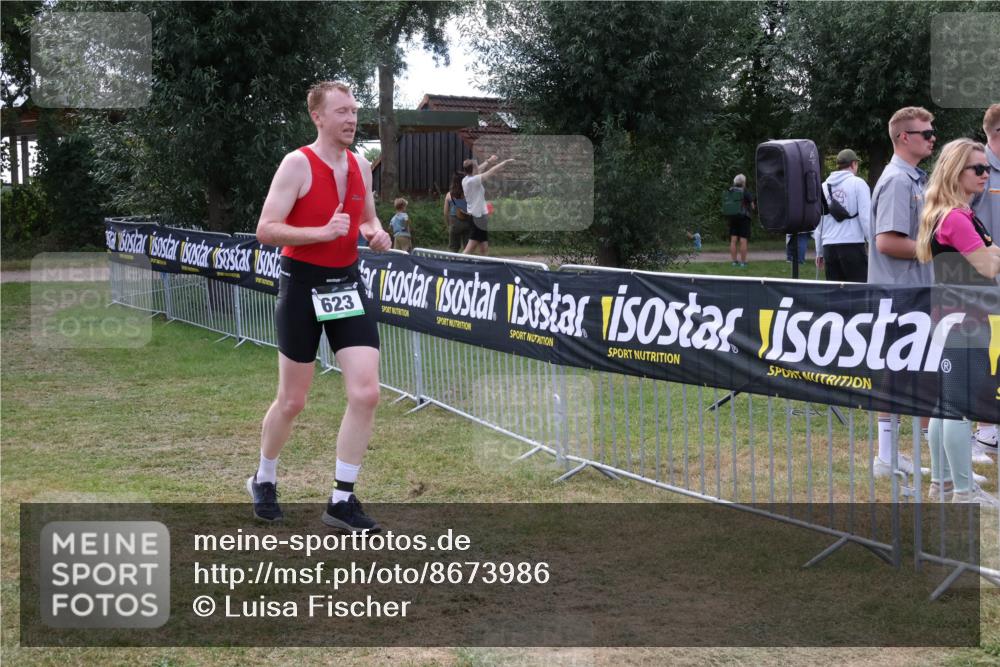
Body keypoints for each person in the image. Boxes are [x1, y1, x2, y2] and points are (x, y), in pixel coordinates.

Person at [249, 80, 391, 531]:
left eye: (354, 110)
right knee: (292, 400)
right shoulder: (297, 164)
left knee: (366, 392)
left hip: (345, 282)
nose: (351, 118)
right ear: (318, 117)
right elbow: (267, 229)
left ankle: (341, 500)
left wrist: (374, 231)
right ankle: (264, 477)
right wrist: (320, 234)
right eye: (342, 111)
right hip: (302, 284)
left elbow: (365, 215)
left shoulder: (361, 166)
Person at [914, 138, 1000, 506]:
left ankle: (943, 484)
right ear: (955, 172)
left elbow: (989, 254)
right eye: (977, 169)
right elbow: (988, 264)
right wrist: (992, 252)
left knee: (946, 404)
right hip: (965, 318)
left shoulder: (952, 213)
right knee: (958, 406)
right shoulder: (956, 217)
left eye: (986, 168)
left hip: (955, 316)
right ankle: (963, 491)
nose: (985, 174)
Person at [868, 106, 936, 479]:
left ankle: (896, 455)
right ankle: (887, 457)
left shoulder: (913, 179)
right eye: (925, 133)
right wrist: (936, 248)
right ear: (904, 137)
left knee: (914, 373)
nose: (932, 138)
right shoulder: (897, 180)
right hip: (899, 293)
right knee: (896, 373)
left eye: (932, 132)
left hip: (911, 291)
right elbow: (887, 243)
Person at [970, 104, 1000, 457]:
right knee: (979, 353)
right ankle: (983, 430)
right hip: (976, 280)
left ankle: (990, 430)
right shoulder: (975, 168)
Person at [814, 149, 871, 282]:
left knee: (835, 297)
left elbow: (819, 223)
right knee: (858, 294)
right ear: (853, 164)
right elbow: (866, 218)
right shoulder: (858, 184)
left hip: (829, 248)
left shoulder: (822, 187)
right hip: (852, 245)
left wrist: (819, 252)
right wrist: (873, 246)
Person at [462, 154, 515, 255]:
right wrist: (504, 163)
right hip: (478, 219)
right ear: (473, 169)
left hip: (480, 217)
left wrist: (489, 161)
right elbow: (491, 172)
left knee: (484, 248)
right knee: (469, 250)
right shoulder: (473, 181)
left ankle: (483, 268)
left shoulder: (466, 179)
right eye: (476, 167)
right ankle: (455, 266)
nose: (478, 168)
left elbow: (479, 169)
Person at [723, 174, 755, 268]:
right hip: (744, 218)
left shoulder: (730, 191)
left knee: (733, 241)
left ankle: (734, 262)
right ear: (743, 182)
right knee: (743, 240)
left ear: (735, 182)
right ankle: (743, 262)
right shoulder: (745, 192)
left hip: (733, 218)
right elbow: (752, 206)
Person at [443, 172, 472, 253]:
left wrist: (447, 224)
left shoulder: (449, 195)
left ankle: (452, 264)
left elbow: (445, 212)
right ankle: (467, 264)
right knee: (468, 248)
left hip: (454, 221)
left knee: (453, 247)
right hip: (468, 221)